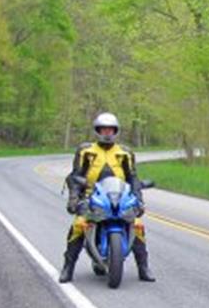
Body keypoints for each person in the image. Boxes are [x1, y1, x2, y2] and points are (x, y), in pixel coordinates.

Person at [59, 112, 154, 283]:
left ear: (116, 131)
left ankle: (144, 268)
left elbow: (132, 178)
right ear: (97, 130)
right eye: (103, 129)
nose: (107, 133)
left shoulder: (125, 152)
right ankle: (68, 268)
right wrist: (74, 199)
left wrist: (139, 199)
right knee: (79, 225)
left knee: (137, 225)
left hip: (120, 196)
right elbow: (74, 176)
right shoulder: (85, 151)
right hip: (91, 197)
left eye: (110, 130)